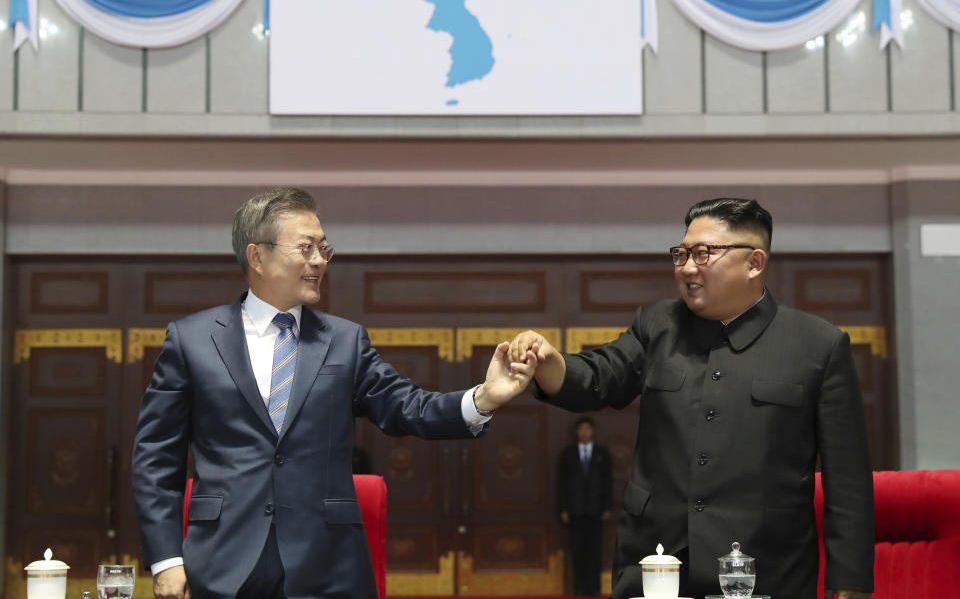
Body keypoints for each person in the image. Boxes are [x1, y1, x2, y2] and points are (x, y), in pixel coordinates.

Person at [132, 187, 537, 599]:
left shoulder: (345, 341)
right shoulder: (192, 339)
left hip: (328, 568)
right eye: (306, 247)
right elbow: (155, 458)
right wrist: (166, 560)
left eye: (324, 249)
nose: (319, 261)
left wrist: (484, 397)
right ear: (257, 256)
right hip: (221, 565)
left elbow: (408, 407)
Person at [510, 198, 874, 599]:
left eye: (703, 254)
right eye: (681, 254)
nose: (685, 267)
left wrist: (850, 584)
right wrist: (547, 361)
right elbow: (599, 375)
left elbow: (848, 482)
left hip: (765, 566)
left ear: (754, 263)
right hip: (657, 563)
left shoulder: (818, 345)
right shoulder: (657, 325)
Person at [557, 416, 612, 596]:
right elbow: (562, 483)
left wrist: (607, 507)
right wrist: (563, 508)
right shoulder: (568, 453)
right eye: (581, 429)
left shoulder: (602, 453)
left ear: (593, 430)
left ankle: (594, 587)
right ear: (576, 432)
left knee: (595, 552)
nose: (584, 432)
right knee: (578, 551)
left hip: (596, 511)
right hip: (575, 511)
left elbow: (608, 482)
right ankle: (579, 588)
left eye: (588, 429)